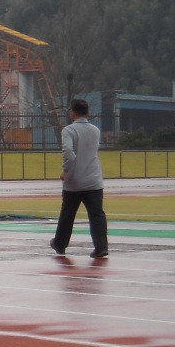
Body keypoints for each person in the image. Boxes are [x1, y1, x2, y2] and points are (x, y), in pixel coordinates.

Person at [51, 97, 109, 258]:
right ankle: (101, 246)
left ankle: (60, 243)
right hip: (94, 179)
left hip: (75, 181)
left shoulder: (69, 130)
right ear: (88, 112)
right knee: (97, 214)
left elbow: (69, 153)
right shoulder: (95, 130)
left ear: (73, 112)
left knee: (68, 214)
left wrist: (66, 171)